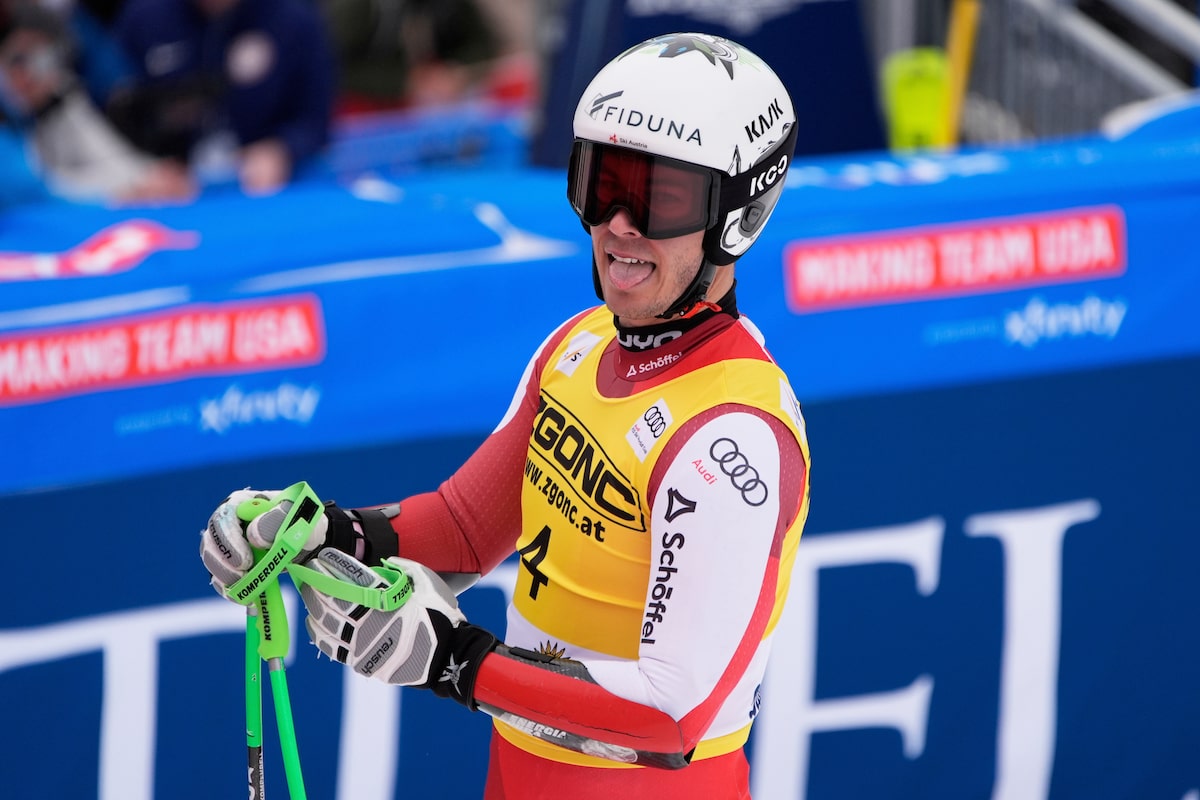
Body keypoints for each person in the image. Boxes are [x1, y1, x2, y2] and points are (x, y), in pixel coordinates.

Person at [201, 31, 810, 799]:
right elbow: (464, 528)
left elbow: (672, 715)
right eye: (601, 182)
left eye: (659, 198)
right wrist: (327, 532)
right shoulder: (581, 345)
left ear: (739, 216)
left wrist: (454, 660)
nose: (619, 222)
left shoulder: (732, 435)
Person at [109, 0, 335, 195]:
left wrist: (283, 148)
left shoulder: (293, 19)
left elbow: (316, 119)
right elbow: (115, 113)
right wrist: (143, 168)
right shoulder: (145, 18)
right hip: (169, 194)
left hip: (266, 188)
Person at [0, 4, 194, 204]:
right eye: (18, 60)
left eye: (45, 60)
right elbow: (37, 191)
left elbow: (107, 155)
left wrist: (151, 174)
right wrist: (122, 192)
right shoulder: (5, 125)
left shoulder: (59, 98)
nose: (30, 75)